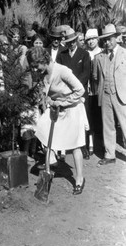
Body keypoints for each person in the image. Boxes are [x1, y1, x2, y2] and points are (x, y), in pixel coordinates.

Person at [29, 47, 87, 195]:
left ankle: (79, 179)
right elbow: (50, 93)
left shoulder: (62, 71)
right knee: (41, 129)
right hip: (57, 109)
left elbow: (80, 90)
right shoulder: (44, 74)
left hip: (73, 109)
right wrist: (48, 99)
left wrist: (63, 102)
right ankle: (51, 164)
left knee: (75, 145)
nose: (35, 69)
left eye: (37, 66)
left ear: (44, 60)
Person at [92, 24, 126, 166]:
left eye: (109, 39)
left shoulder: (125, 53)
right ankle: (110, 154)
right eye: (104, 40)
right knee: (108, 125)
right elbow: (95, 76)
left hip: (122, 95)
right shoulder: (99, 57)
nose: (107, 42)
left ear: (116, 38)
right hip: (105, 94)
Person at [56, 27, 91, 159]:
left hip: (80, 92)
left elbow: (85, 74)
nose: (71, 44)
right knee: (65, 119)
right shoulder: (62, 55)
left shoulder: (84, 54)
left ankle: (84, 147)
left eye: (73, 41)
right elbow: (59, 73)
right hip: (66, 93)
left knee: (82, 120)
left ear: (76, 40)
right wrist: (66, 89)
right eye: (69, 42)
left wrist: (75, 87)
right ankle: (63, 148)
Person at [85, 28, 102, 155]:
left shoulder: (102, 53)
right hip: (88, 91)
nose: (91, 42)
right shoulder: (85, 54)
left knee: (99, 118)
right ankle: (89, 143)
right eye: (88, 39)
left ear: (97, 39)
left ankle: (100, 144)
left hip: (100, 90)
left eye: (93, 39)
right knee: (89, 117)